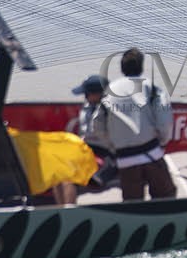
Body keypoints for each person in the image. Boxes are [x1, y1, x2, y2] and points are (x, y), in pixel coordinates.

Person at [90, 47, 176, 200]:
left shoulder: (109, 92)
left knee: (132, 204)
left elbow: (97, 126)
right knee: (166, 198)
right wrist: (162, 141)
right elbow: (165, 122)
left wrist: (113, 146)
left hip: (125, 161)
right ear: (141, 67)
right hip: (152, 154)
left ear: (122, 68)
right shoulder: (152, 88)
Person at [53, 74, 109, 205]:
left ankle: (69, 211)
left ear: (97, 94)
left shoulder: (110, 111)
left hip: (103, 152)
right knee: (56, 171)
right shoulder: (87, 107)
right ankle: (60, 209)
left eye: (87, 93)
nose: (85, 96)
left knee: (69, 176)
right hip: (84, 149)